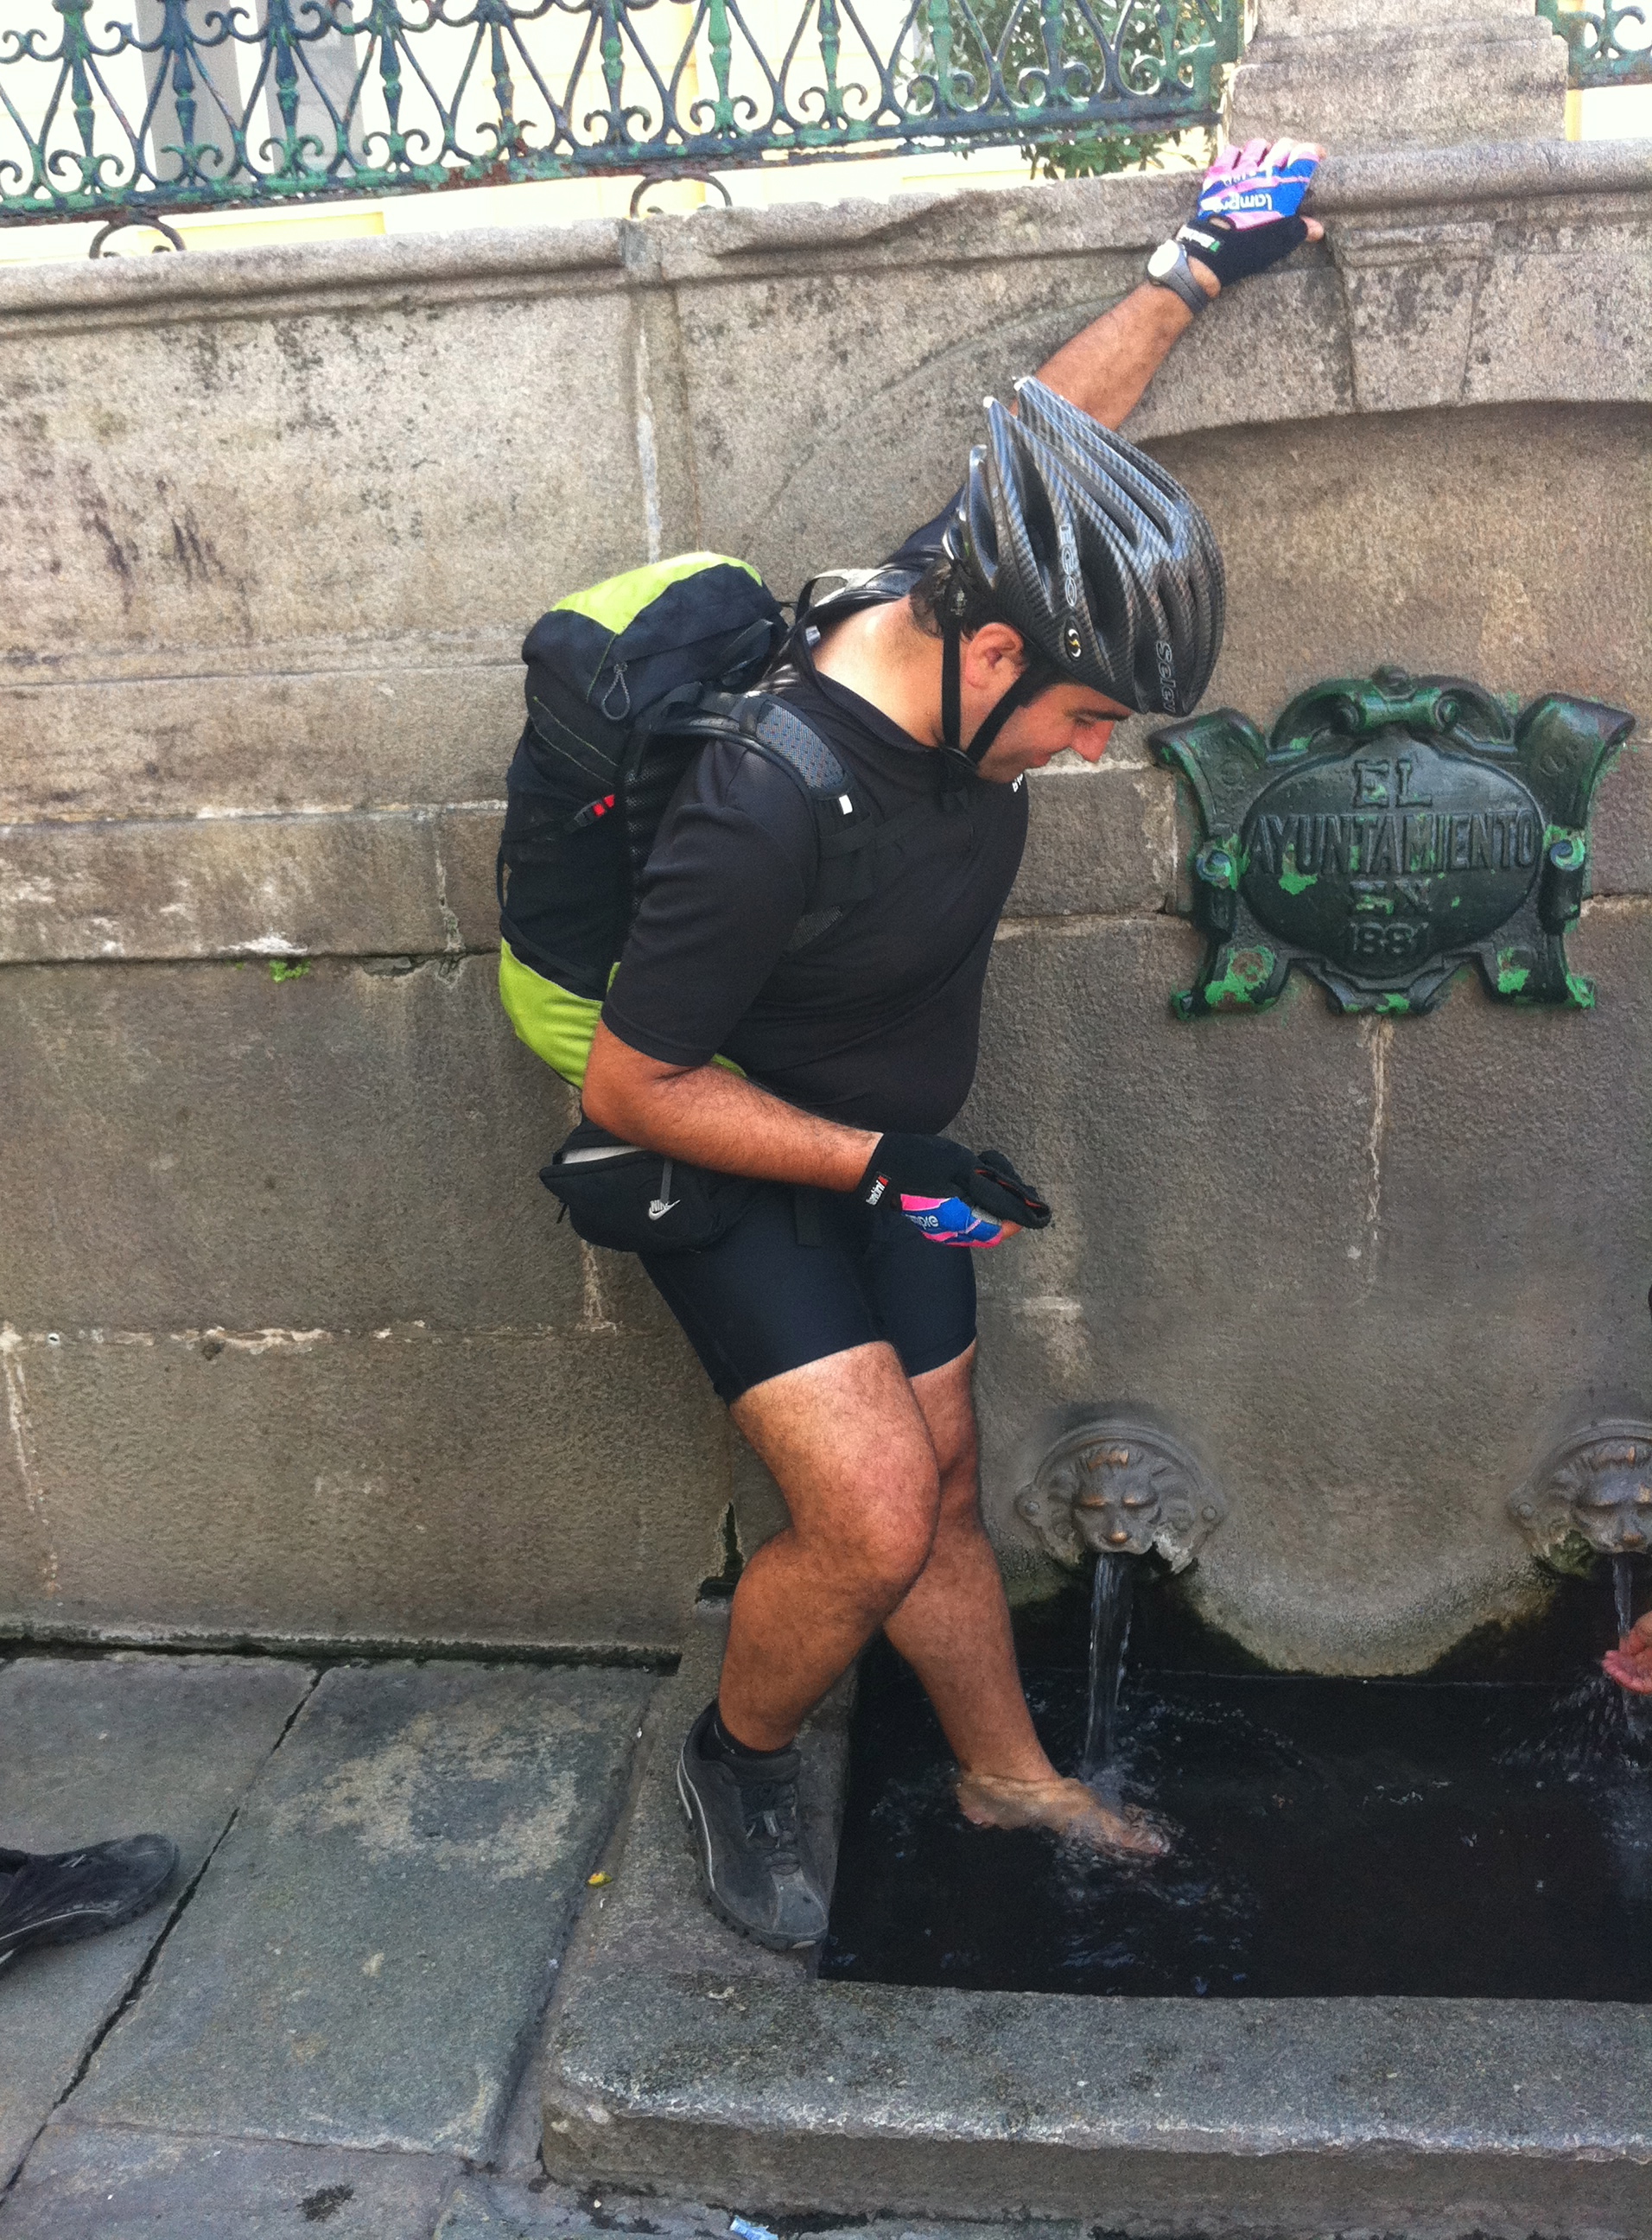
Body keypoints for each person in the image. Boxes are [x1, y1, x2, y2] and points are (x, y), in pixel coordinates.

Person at [581, 139, 1327, 1950]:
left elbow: (1052, 434)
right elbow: (629, 1084)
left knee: (943, 1486)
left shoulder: (968, 593)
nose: (1092, 752)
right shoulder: (766, 803)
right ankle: (739, 1755)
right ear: (991, 654)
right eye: (1084, 715)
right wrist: (879, 1160)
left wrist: (1192, 267)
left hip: (894, 1159)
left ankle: (1005, 1773)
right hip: (729, 1164)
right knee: (865, 1519)